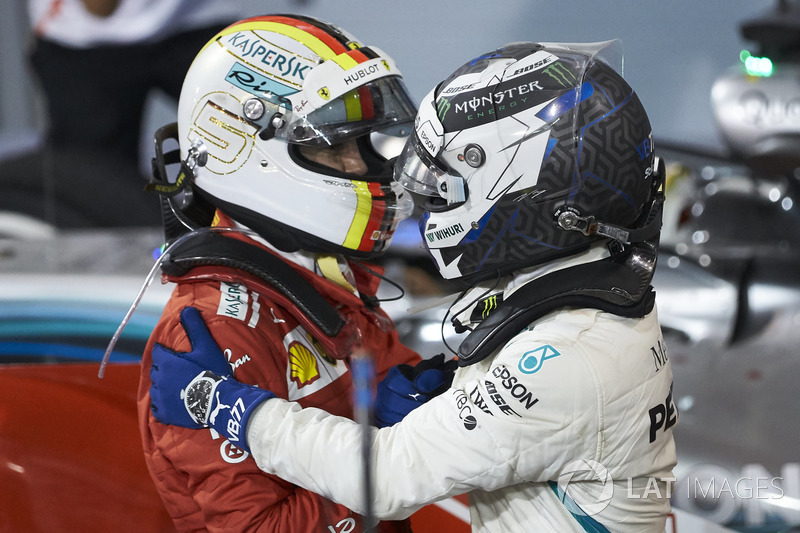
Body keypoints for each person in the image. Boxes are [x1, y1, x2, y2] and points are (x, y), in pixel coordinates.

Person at [148, 41, 678, 532]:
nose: (368, 169)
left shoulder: (567, 357)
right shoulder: (590, 282)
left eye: (451, 181)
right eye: (338, 146)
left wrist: (230, 408)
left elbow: (391, 473)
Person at [137, 15, 449, 532]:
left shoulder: (323, 277)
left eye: (361, 143)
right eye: (332, 146)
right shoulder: (211, 330)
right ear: (248, 151)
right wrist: (398, 460)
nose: (357, 166)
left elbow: (394, 382)